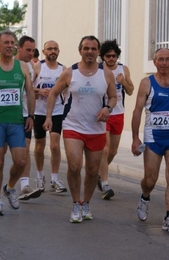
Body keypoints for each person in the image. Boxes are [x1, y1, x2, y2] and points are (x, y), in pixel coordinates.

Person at [43, 35, 117, 223]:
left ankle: (86, 204)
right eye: (86, 48)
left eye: (93, 48)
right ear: (80, 51)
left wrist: (107, 108)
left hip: (96, 129)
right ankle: (76, 203)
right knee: (75, 166)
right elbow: (53, 94)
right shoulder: (70, 72)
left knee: (92, 171)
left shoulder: (106, 73)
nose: (89, 52)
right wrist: (49, 117)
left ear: (98, 51)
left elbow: (113, 97)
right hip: (73, 126)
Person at [132, 48, 169, 234]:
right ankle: (145, 196)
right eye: (160, 60)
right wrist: (135, 138)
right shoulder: (146, 83)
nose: (164, 63)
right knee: (150, 180)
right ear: (154, 62)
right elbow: (137, 111)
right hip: (153, 138)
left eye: (168, 60)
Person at [0, 30, 35, 216]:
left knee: (21, 161)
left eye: (12, 42)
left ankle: (10, 187)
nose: (10, 45)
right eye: (6, 43)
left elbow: (30, 93)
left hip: (17, 121)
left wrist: (31, 116)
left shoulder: (23, 67)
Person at [97, 39, 134, 199]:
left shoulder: (123, 69)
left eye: (114, 56)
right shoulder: (98, 69)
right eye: (108, 56)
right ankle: (105, 184)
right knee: (104, 150)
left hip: (118, 113)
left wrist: (123, 81)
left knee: (113, 151)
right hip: (103, 114)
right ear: (103, 57)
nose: (111, 59)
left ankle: (99, 173)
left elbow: (131, 91)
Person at [33, 40, 67, 193]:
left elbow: (68, 91)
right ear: (43, 51)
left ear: (58, 51)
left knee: (54, 145)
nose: (53, 51)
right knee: (39, 147)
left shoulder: (63, 70)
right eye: (50, 49)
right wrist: (39, 91)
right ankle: (40, 176)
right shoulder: (38, 67)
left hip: (57, 111)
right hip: (39, 112)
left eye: (55, 49)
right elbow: (27, 87)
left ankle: (54, 178)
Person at [14, 35, 41, 201]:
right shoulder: (8, 65)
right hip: (5, 115)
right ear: (19, 48)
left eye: (32, 50)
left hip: (24, 115)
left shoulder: (30, 68)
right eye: (28, 50)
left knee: (24, 149)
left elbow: (30, 92)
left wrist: (31, 115)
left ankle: (24, 186)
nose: (31, 53)